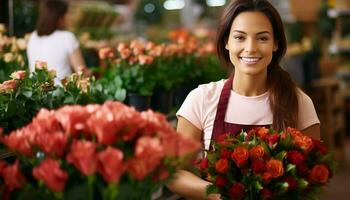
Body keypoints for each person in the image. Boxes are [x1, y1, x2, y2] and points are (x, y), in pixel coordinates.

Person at [166, 0, 320, 199]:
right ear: (226, 42)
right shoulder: (201, 99)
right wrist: (218, 195)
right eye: (240, 37)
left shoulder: (299, 102)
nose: (251, 48)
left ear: (276, 44)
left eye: (262, 38)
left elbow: (314, 176)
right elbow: (173, 173)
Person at [27, 0, 90, 84]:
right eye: (69, 14)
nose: (71, 17)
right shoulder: (67, 37)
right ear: (60, 18)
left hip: (36, 94)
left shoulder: (33, 37)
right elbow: (82, 74)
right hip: (61, 94)